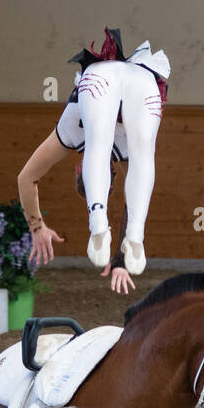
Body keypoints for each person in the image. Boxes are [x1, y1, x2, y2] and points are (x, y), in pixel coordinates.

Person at [17, 28, 169, 294]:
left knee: (115, 145)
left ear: (84, 171)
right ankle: (132, 235)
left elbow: (26, 178)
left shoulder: (73, 133)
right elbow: (26, 179)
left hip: (134, 83)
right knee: (131, 151)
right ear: (78, 169)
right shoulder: (69, 133)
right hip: (128, 77)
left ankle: (101, 223)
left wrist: (37, 228)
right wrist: (35, 226)